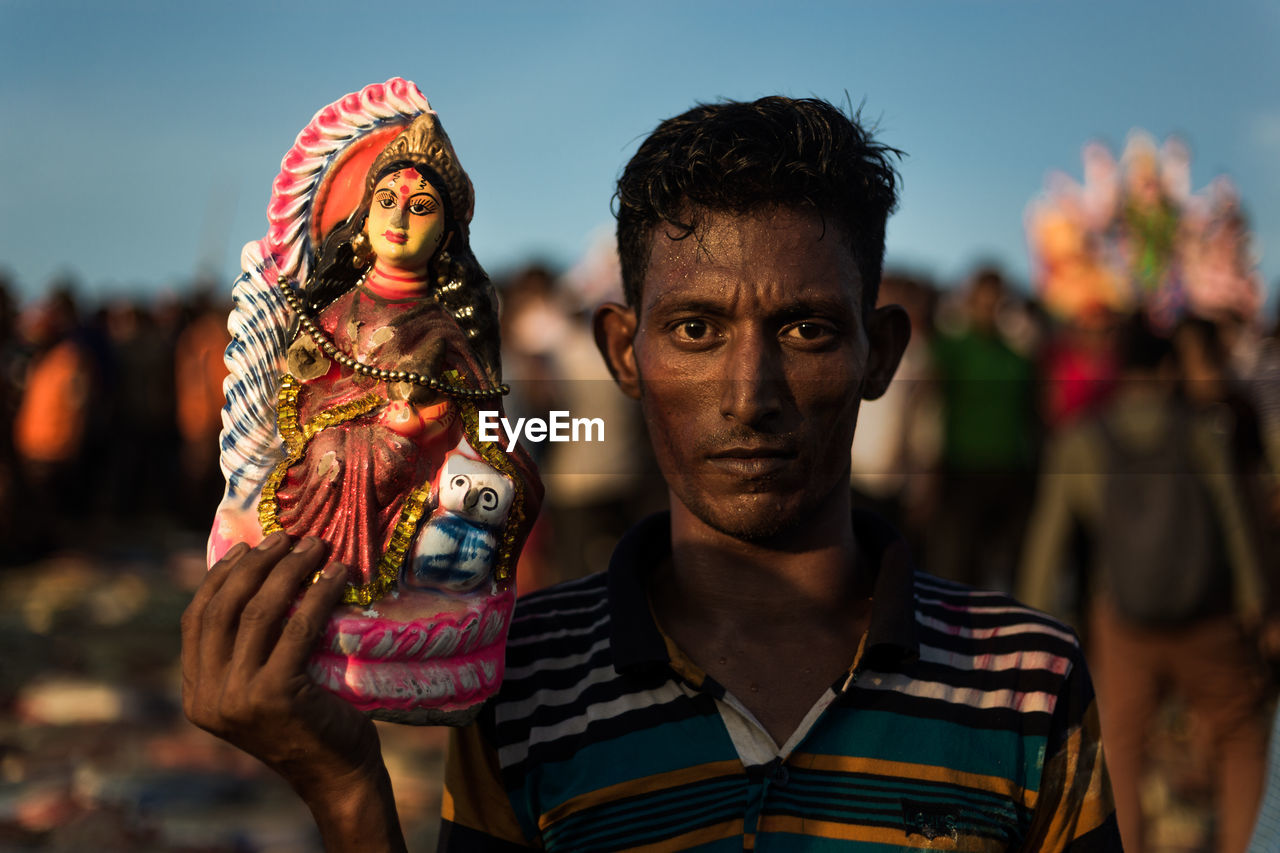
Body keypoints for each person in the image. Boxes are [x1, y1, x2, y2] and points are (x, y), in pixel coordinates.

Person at [183, 96, 1121, 851]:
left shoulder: (1024, 681)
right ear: (625, 353)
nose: (750, 394)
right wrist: (347, 794)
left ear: (879, 355)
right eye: (696, 331)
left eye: (807, 329)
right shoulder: (524, 686)